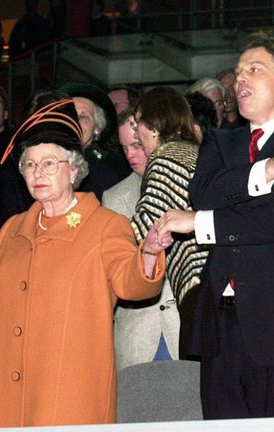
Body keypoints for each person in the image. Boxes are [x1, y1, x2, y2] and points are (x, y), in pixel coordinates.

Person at [0, 99, 170, 427]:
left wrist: (149, 253)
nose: (38, 173)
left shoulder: (104, 226)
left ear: (74, 169)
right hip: (6, 397)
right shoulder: (14, 229)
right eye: (29, 165)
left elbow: (131, 283)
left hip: (68, 396)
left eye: (50, 163)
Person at [156, 33, 274, 419]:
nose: (240, 80)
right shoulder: (221, 143)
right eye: (237, 73)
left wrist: (202, 225)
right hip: (220, 328)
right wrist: (271, 169)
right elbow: (205, 193)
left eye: (254, 70)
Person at [130, 87, 209, 357]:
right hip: (223, 283)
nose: (135, 132)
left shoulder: (165, 157)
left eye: (137, 121)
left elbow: (146, 226)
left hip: (198, 288)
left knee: (198, 384)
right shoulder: (198, 153)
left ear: (152, 126)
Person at [103, 107, 181, 368]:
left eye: (137, 145)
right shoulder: (113, 198)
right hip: (136, 338)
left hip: (186, 331)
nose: (131, 155)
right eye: (124, 148)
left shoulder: (195, 182)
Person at [60, 81, 130, 200]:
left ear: (97, 127)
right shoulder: (41, 161)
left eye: (83, 117)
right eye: (70, 115)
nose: (74, 122)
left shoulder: (117, 166)